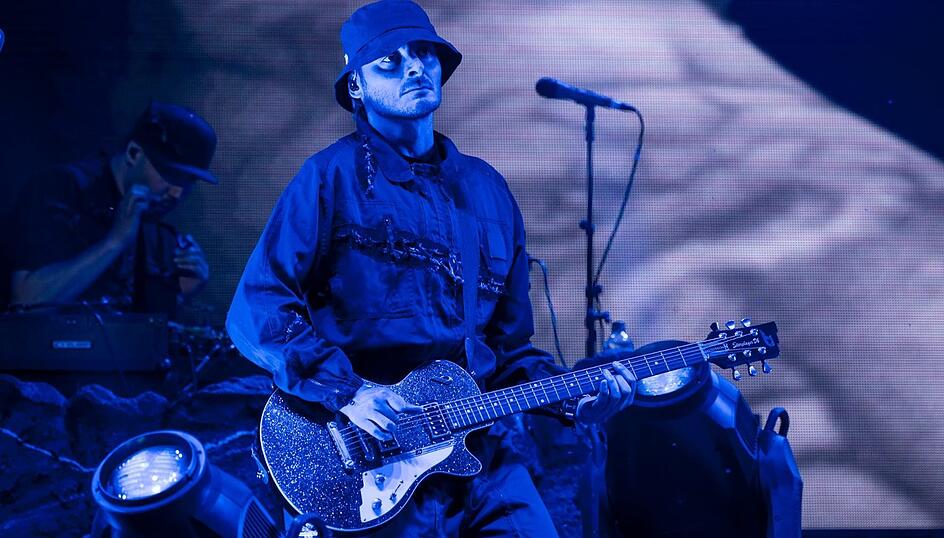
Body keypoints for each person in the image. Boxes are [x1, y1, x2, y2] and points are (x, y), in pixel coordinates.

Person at [226, 1, 638, 535]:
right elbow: (256, 308)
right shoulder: (329, 178)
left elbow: (507, 352)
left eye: (424, 53)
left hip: (479, 454)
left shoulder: (487, 191)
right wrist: (349, 392)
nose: (415, 67)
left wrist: (576, 399)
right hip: (364, 453)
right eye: (389, 62)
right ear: (356, 87)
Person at [8, 100, 217, 318]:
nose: (177, 193)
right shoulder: (61, 188)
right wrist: (114, 242)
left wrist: (183, 291)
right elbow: (27, 302)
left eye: (189, 181)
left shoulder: (156, 225)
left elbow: (139, 331)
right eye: (171, 175)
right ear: (134, 153)